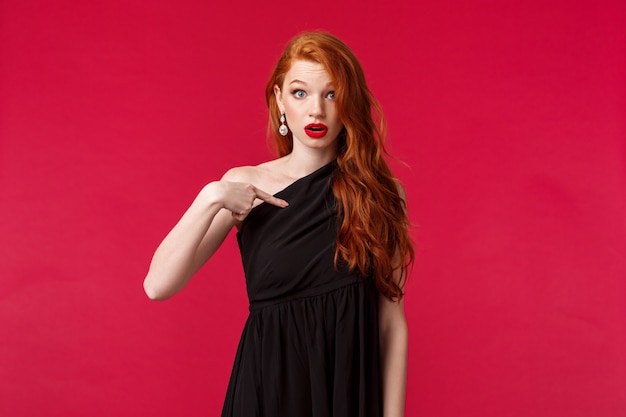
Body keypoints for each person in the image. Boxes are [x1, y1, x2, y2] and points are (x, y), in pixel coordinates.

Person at [144, 31, 414, 417]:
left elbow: (391, 323)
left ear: (349, 102)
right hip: (266, 394)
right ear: (280, 100)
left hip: (347, 395)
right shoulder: (245, 185)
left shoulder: (383, 195)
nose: (316, 110)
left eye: (332, 93)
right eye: (300, 93)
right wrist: (210, 197)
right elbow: (157, 286)